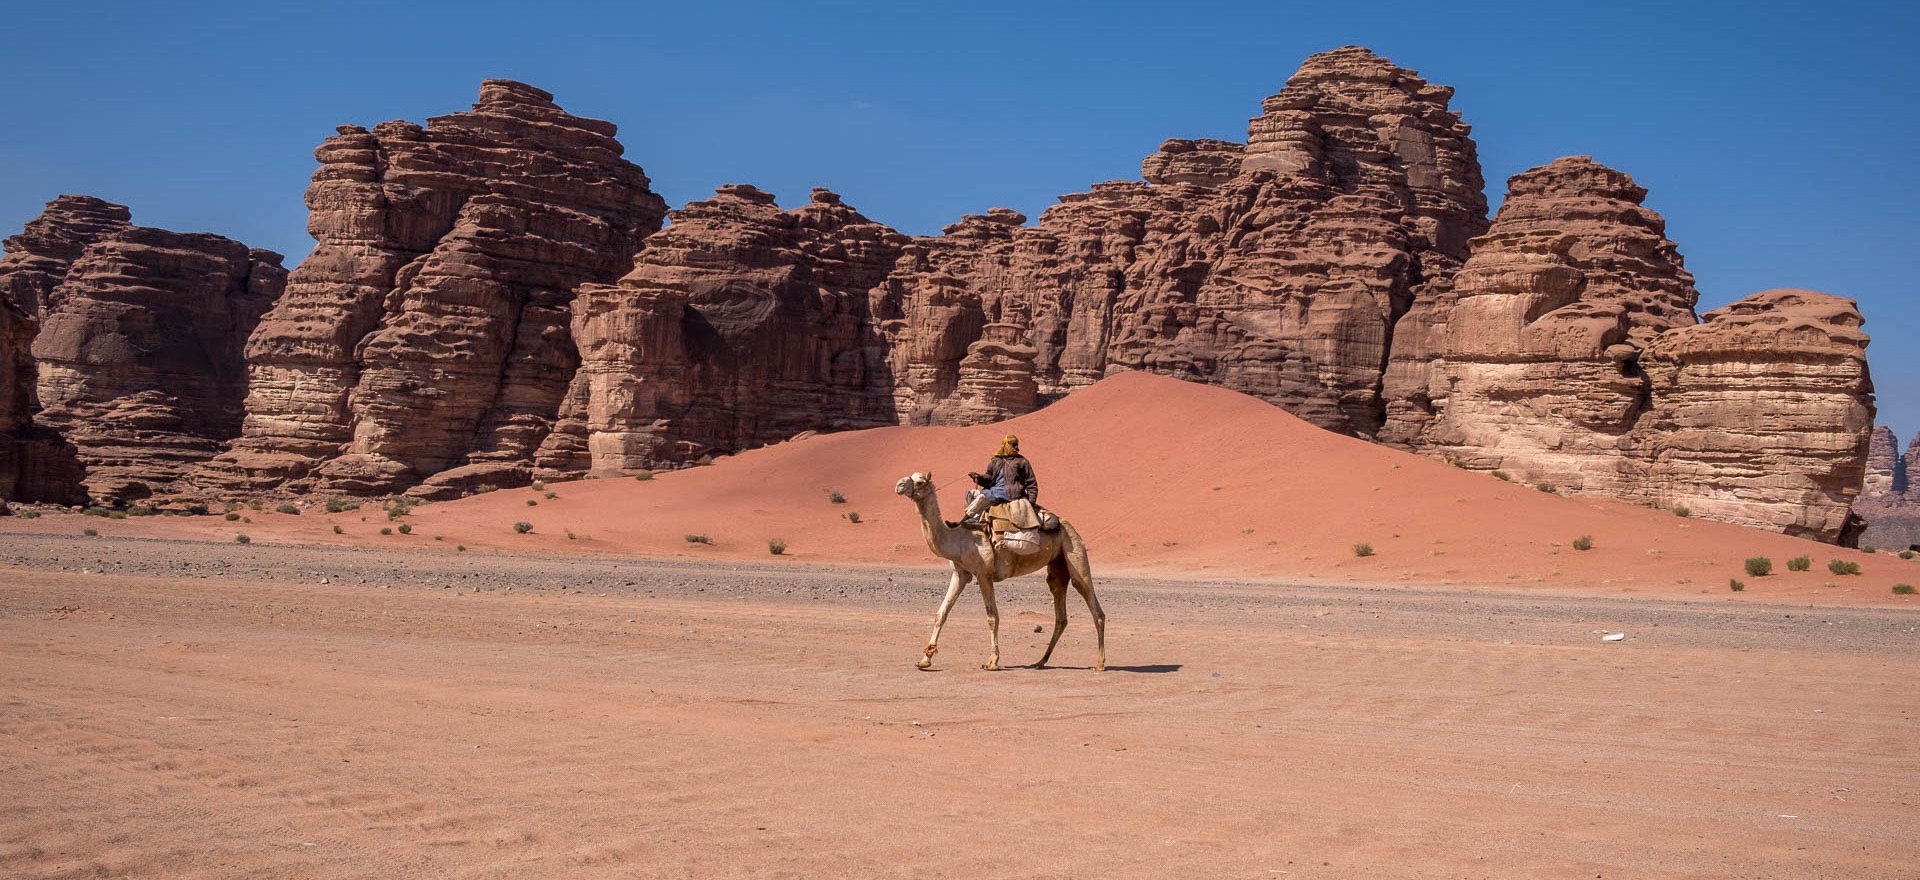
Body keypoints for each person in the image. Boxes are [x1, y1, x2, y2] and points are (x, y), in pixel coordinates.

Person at [962, 434, 1038, 524]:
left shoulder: (1022, 461)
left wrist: (1031, 503)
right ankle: (977, 516)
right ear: (1006, 445)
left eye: (1017, 444)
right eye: (1013, 445)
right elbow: (989, 477)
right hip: (995, 490)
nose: (1017, 447)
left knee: (983, 497)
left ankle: (964, 520)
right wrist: (978, 477)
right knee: (970, 493)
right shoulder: (996, 461)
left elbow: (1031, 483)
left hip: (1011, 493)